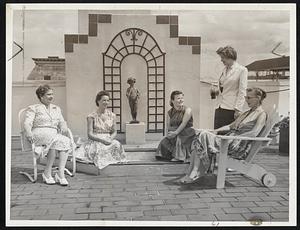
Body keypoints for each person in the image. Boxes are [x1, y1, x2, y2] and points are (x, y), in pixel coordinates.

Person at [179, 87, 267, 183]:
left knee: (202, 135)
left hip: (238, 146)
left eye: (249, 98)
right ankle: (192, 172)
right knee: (201, 135)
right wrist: (215, 131)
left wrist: (235, 137)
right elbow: (230, 126)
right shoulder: (246, 113)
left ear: (258, 98)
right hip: (229, 141)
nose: (246, 100)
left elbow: (254, 133)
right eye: (246, 97)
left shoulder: (261, 114)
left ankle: (194, 172)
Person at [23, 85, 72, 186]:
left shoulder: (56, 108)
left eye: (52, 94)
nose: (51, 96)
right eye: (49, 94)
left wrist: (63, 126)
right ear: (41, 96)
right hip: (39, 134)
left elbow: (62, 121)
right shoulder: (34, 108)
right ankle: (48, 173)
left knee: (65, 141)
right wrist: (28, 132)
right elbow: (27, 123)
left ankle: (59, 174)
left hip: (53, 134)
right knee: (59, 140)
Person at [75, 91, 126, 169]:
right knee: (100, 148)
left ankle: (115, 166)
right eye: (104, 100)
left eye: (108, 100)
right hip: (96, 139)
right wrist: (102, 140)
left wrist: (110, 139)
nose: (106, 102)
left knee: (117, 144)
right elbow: (90, 134)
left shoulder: (112, 115)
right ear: (98, 101)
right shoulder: (91, 116)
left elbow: (114, 131)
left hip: (108, 139)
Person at [213, 46, 248, 132]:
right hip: (219, 107)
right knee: (217, 134)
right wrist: (216, 91)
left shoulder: (242, 70)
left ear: (230, 57)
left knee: (227, 135)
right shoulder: (223, 70)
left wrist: (238, 109)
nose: (221, 60)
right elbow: (223, 88)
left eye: (223, 58)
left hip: (231, 108)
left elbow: (242, 91)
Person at [155, 90, 196, 162]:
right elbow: (168, 126)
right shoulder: (169, 112)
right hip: (174, 133)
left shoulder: (187, 110)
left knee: (179, 139)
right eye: (178, 98)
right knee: (164, 142)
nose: (181, 100)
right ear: (172, 100)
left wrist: (175, 133)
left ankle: (180, 156)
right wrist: (169, 135)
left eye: (182, 98)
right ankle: (173, 154)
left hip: (187, 133)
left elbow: (184, 124)